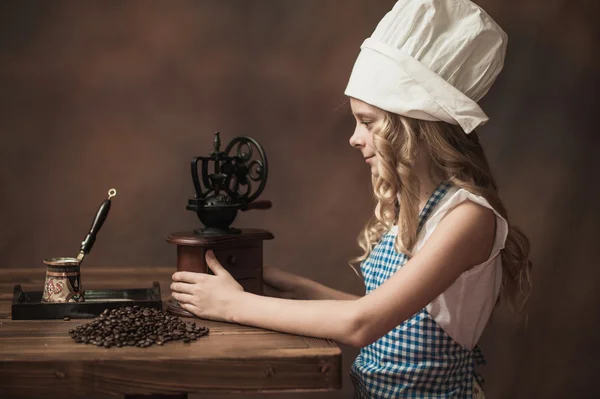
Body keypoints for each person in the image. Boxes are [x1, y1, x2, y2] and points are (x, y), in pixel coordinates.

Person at [170, 0, 533, 397]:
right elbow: (392, 320)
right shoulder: (415, 210)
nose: (354, 138)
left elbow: (362, 324)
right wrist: (291, 285)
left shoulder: (467, 218)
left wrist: (232, 306)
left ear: (411, 128)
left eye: (367, 122)